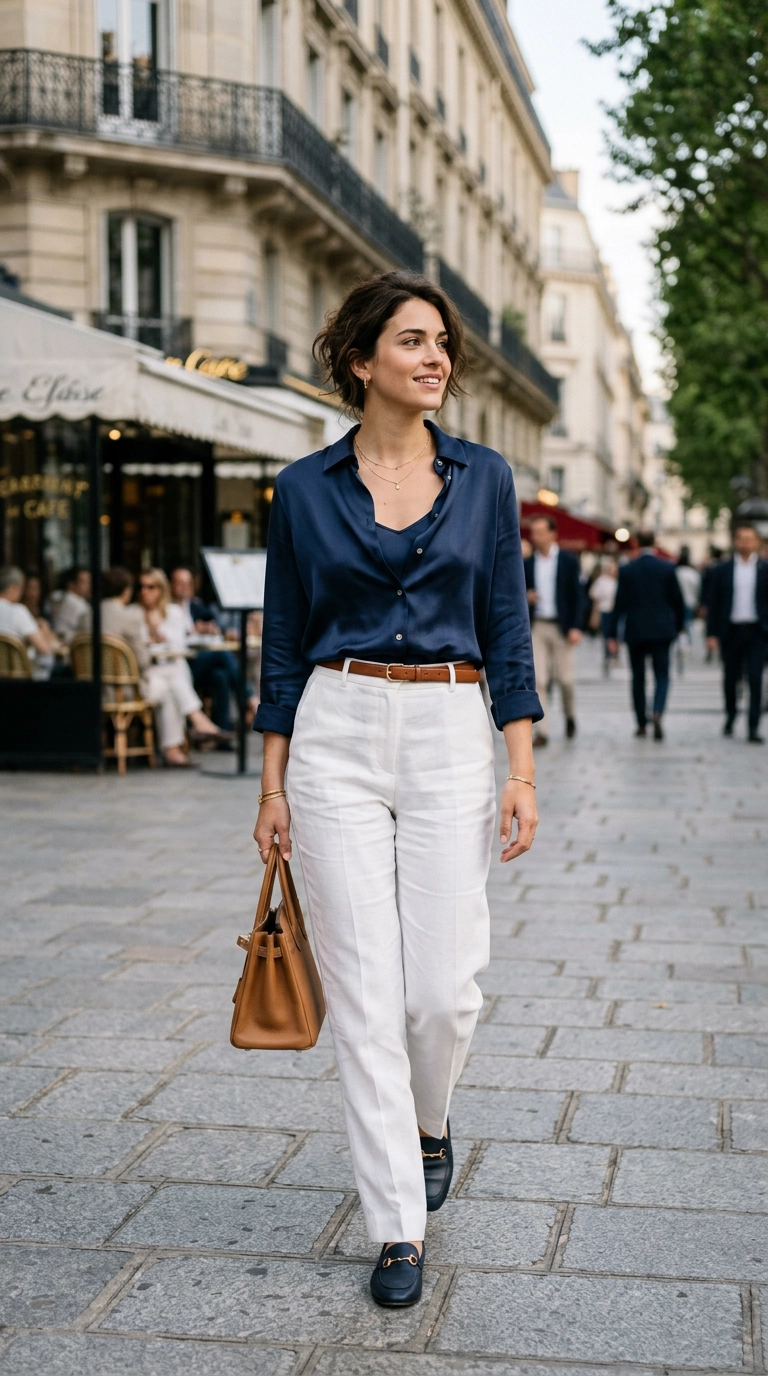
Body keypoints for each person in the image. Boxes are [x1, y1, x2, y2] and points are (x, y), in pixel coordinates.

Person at [253, 271, 541, 1308]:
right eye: (413, 340)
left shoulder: (488, 478)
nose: (437, 358)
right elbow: (281, 643)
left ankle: (430, 1121)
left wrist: (520, 766)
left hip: (454, 728)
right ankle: (396, 1228)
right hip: (334, 730)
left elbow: (506, 626)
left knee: (442, 989)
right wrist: (273, 783)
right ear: (363, 359)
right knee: (368, 997)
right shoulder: (302, 489)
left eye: (443, 344)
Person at [137, 568, 230, 765]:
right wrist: (154, 630)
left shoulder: (173, 612)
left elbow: (177, 646)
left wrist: (156, 629)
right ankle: (198, 720)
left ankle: (172, 751)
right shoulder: (134, 615)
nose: (145, 591)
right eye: (141, 587)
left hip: (165, 674)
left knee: (172, 681)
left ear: (161, 589)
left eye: (150, 587)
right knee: (175, 673)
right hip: (145, 675)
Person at [606, 529, 686, 740]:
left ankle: (641, 722)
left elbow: (619, 604)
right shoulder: (667, 567)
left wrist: (612, 634)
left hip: (636, 631)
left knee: (638, 678)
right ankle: (657, 711)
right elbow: (677, 601)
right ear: (654, 542)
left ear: (636, 543)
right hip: (662, 630)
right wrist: (679, 626)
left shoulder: (628, 569)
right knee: (662, 675)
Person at [169, 566, 249, 743]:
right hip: (182, 664)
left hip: (198, 662)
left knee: (221, 676)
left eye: (187, 583)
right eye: (179, 582)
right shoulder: (166, 607)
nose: (184, 587)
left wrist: (209, 629)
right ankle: (249, 697)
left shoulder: (196, 606)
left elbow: (216, 627)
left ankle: (222, 736)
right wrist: (191, 632)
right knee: (222, 654)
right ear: (171, 585)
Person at [706, 522, 768, 744]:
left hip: (757, 632)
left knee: (755, 678)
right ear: (735, 541)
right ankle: (731, 715)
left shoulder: (764, 568)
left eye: (750, 538)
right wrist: (711, 634)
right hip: (730, 631)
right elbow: (713, 603)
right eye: (741, 538)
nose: (745, 543)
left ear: (757, 542)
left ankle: (753, 726)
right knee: (730, 679)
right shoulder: (721, 570)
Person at [523, 514, 583, 744]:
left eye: (540, 532)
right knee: (539, 680)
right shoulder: (528, 563)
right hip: (537, 625)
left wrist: (577, 626)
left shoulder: (568, 561)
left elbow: (578, 596)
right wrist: (527, 595)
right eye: (533, 532)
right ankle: (543, 731)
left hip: (562, 626)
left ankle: (570, 716)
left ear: (552, 534)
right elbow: (518, 591)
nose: (535, 537)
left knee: (565, 679)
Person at [0, 566, 60, 668]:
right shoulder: (17, 611)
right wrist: (44, 630)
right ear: (14, 588)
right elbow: (43, 648)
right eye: (21, 588)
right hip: (17, 677)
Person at [589, 558, 619, 674]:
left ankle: (614, 654)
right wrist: (594, 615)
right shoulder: (602, 581)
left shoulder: (619, 581)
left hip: (616, 612)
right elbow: (596, 599)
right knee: (607, 635)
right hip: (605, 610)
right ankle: (608, 656)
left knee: (616, 634)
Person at [49, 566, 92, 644]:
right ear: (71, 585)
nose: (89, 586)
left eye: (89, 582)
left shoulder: (76, 599)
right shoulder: (71, 600)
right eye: (84, 582)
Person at [675, 547, 701, 639]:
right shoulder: (692, 573)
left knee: (679, 623)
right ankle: (687, 641)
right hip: (690, 601)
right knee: (688, 622)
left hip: (677, 602)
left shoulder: (675, 572)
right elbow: (697, 588)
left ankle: (681, 641)